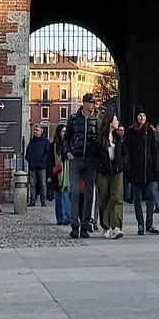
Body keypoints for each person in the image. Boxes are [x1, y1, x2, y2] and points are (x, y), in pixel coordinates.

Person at [65, 92, 101, 240]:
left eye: (94, 102)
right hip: (76, 158)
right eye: (91, 102)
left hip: (90, 161)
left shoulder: (96, 120)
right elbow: (67, 137)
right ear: (84, 103)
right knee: (74, 192)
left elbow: (99, 140)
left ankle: (85, 225)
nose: (93, 105)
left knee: (89, 194)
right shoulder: (74, 119)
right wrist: (68, 152)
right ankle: (74, 225)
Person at [124, 108, 159, 235]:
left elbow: (155, 151)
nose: (142, 118)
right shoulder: (130, 132)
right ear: (136, 117)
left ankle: (149, 223)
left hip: (149, 170)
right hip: (136, 170)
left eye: (144, 115)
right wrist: (128, 170)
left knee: (151, 197)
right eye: (140, 115)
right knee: (137, 199)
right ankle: (140, 224)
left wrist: (156, 169)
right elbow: (127, 152)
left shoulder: (149, 131)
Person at [95, 111, 126, 238]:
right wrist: (100, 165)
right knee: (104, 197)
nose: (117, 121)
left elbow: (124, 153)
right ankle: (105, 226)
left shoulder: (118, 138)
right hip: (103, 171)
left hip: (117, 169)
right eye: (115, 119)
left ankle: (116, 226)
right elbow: (93, 155)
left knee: (117, 197)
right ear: (110, 122)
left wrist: (122, 163)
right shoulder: (99, 139)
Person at [25, 124, 51, 207]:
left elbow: (48, 153)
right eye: (34, 130)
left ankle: (43, 200)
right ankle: (32, 200)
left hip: (42, 167)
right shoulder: (31, 142)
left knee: (43, 184)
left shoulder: (45, 142)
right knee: (32, 184)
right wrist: (30, 160)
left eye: (37, 130)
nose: (35, 132)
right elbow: (28, 153)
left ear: (41, 131)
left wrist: (43, 160)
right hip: (32, 166)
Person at [50, 122, 71, 225]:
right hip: (56, 174)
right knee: (58, 198)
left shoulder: (69, 144)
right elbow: (49, 161)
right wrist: (49, 175)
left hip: (66, 174)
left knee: (66, 196)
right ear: (58, 132)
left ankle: (67, 217)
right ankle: (59, 218)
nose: (64, 133)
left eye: (65, 131)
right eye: (63, 131)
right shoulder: (53, 145)